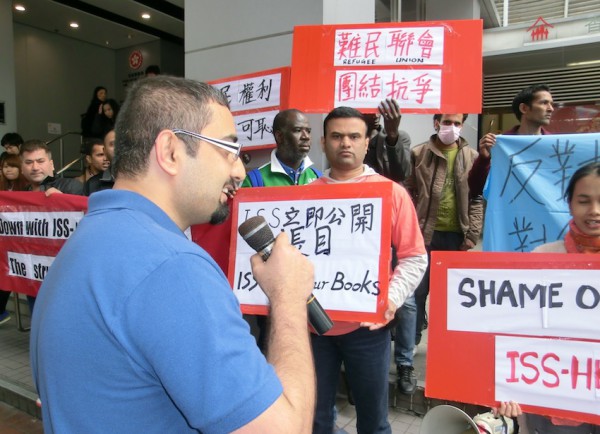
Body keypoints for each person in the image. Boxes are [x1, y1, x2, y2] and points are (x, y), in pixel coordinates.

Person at [30, 75, 316, 433]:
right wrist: (288, 298)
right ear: (170, 151)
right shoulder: (172, 267)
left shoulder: (84, 242)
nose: (239, 171)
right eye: (228, 149)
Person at [310, 106, 427, 434]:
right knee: (316, 419)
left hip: (368, 329)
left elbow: (415, 257)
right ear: (323, 142)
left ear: (367, 142)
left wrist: (388, 301)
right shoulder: (304, 195)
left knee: (373, 422)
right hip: (312, 328)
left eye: (353, 136)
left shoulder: (392, 193)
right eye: (336, 136)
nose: (344, 143)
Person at [497, 162, 600, 434]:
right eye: (584, 201)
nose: (595, 211)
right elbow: (516, 333)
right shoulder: (542, 259)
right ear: (569, 203)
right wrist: (505, 386)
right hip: (556, 403)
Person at [406, 113, 483, 392]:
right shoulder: (418, 153)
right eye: (446, 121)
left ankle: (443, 345)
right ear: (436, 123)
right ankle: (412, 341)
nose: (451, 127)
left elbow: (477, 197)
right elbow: (408, 190)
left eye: (457, 122)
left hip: (456, 236)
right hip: (424, 235)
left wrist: (472, 233)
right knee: (417, 291)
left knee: (450, 296)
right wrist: (410, 227)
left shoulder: (472, 156)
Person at [362, 98, 417, 396]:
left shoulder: (397, 136)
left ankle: (405, 362)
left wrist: (392, 136)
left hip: (389, 227)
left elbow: (400, 173)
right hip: (358, 233)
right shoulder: (350, 134)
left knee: (404, 301)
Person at [469, 83, 554, 197]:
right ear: (524, 108)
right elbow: (476, 189)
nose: (551, 109)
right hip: (510, 213)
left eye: (551, 104)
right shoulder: (499, 146)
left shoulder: (555, 145)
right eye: (544, 103)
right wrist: (484, 159)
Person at [242, 108, 320, 187]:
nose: (306, 137)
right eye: (298, 130)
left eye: (308, 131)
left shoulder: (317, 177)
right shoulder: (254, 181)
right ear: (279, 136)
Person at [0, 153, 28, 325]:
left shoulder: (27, 189)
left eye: (12, 166)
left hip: (20, 244)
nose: (8, 169)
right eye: (5, 166)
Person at [364, 98, 411, 184]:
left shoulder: (401, 137)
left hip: (386, 193)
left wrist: (393, 136)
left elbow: (402, 174)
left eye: (378, 111)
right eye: (370, 111)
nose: (376, 116)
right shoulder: (351, 139)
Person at [84, 129, 116, 195]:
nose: (104, 159)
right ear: (105, 151)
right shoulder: (92, 184)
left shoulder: (141, 178)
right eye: (113, 144)